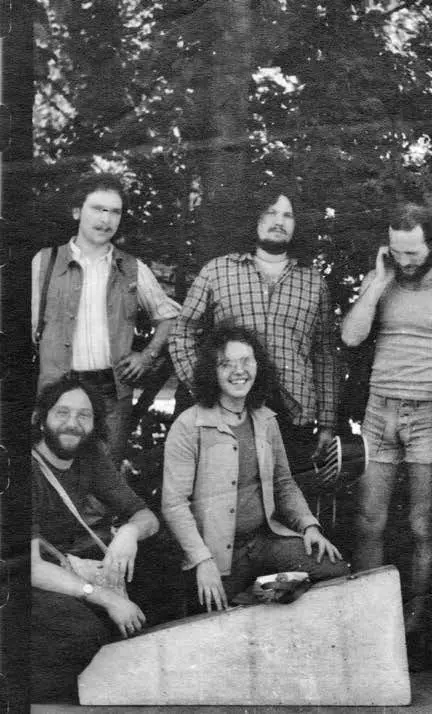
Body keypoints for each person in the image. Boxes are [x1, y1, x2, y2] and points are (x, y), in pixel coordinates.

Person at [341, 203, 432, 661]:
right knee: (368, 520)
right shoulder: (381, 282)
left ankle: (417, 626)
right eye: (396, 250)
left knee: (422, 524)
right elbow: (351, 336)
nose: (403, 260)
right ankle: (370, 621)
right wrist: (377, 283)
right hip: (379, 412)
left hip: (431, 416)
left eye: (412, 252)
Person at [162, 324, 349, 613]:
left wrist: (309, 525)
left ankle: (253, 595)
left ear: (258, 366)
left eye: (246, 361)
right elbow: (174, 504)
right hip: (215, 554)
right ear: (212, 372)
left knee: (334, 570)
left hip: (265, 541)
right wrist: (201, 559)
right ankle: (249, 596)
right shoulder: (189, 425)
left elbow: (284, 483)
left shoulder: (266, 419)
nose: (239, 371)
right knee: (214, 616)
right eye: (226, 364)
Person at [31, 376, 185, 703]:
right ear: (42, 417)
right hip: (21, 577)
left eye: (84, 415)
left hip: (66, 561)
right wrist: (107, 598)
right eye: (62, 413)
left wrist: (129, 532)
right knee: (83, 631)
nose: (72, 423)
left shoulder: (89, 456)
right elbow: (29, 567)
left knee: (164, 561)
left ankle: (143, 679)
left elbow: (144, 516)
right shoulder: (21, 468)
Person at [170, 182, 339, 472]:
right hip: (227, 410)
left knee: (285, 493)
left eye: (288, 215)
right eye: (270, 212)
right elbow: (182, 333)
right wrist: (205, 388)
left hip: (292, 416)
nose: (279, 221)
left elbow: (324, 355)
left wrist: (326, 423)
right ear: (253, 218)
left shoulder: (313, 282)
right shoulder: (217, 271)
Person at [32, 172, 180, 467]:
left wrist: (147, 355)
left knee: (105, 476)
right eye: (98, 209)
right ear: (77, 212)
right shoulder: (45, 261)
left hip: (110, 393)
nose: (106, 219)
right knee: (51, 472)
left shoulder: (132, 268)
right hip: (56, 391)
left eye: (114, 211)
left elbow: (171, 317)